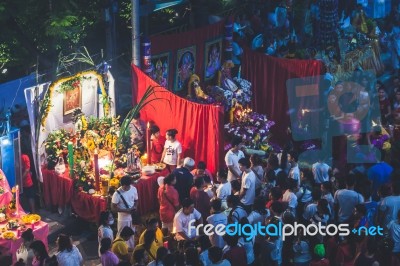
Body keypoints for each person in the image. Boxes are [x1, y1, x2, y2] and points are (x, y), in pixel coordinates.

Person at [111, 175, 138, 248]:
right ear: (122, 185)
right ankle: (119, 249)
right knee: (121, 235)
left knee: (131, 234)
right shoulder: (117, 194)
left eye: (128, 186)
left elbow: (136, 200)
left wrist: (134, 207)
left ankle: (131, 249)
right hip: (123, 219)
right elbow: (113, 208)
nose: (126, 188)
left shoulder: (133, 189)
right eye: (125, 186)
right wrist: (125, 210)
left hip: (132, 217)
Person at [21, 149, 36, 214]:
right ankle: (31, 213)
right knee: (29, 197)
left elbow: (27, 170)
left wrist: (20, 179)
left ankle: (33, 213)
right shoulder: (24, 156)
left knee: (30, 197)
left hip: (26, 182)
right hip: (24, 182)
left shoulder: (24, 157)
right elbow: (27, 170)